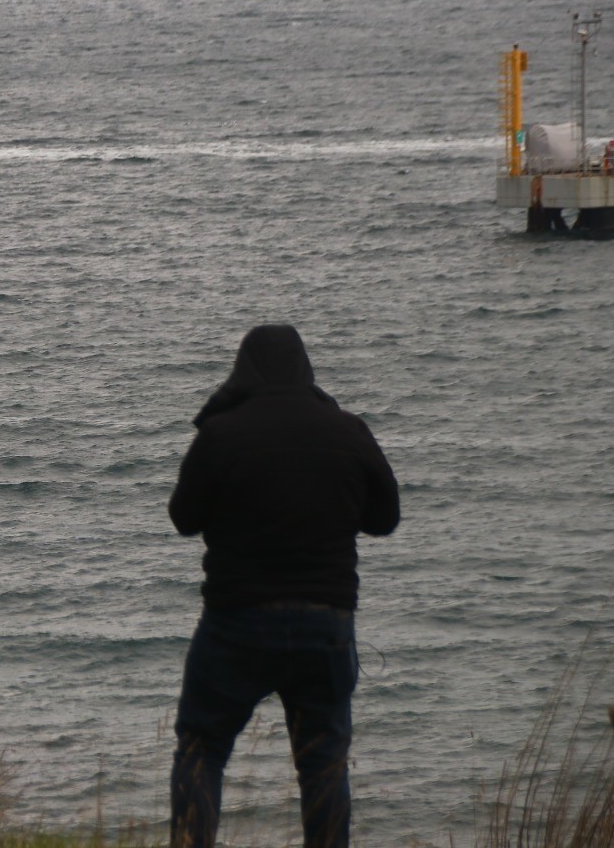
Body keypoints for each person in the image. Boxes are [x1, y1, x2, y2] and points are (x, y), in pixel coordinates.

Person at [167, 325, 399, 848]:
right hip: (326, 620)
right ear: (305, 369)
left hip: (236, 621)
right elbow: (385, 518)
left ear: (242, 371)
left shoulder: (221, 433)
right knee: (323, 765)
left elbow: (183, 517)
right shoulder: (347, 430)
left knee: (202, 747)